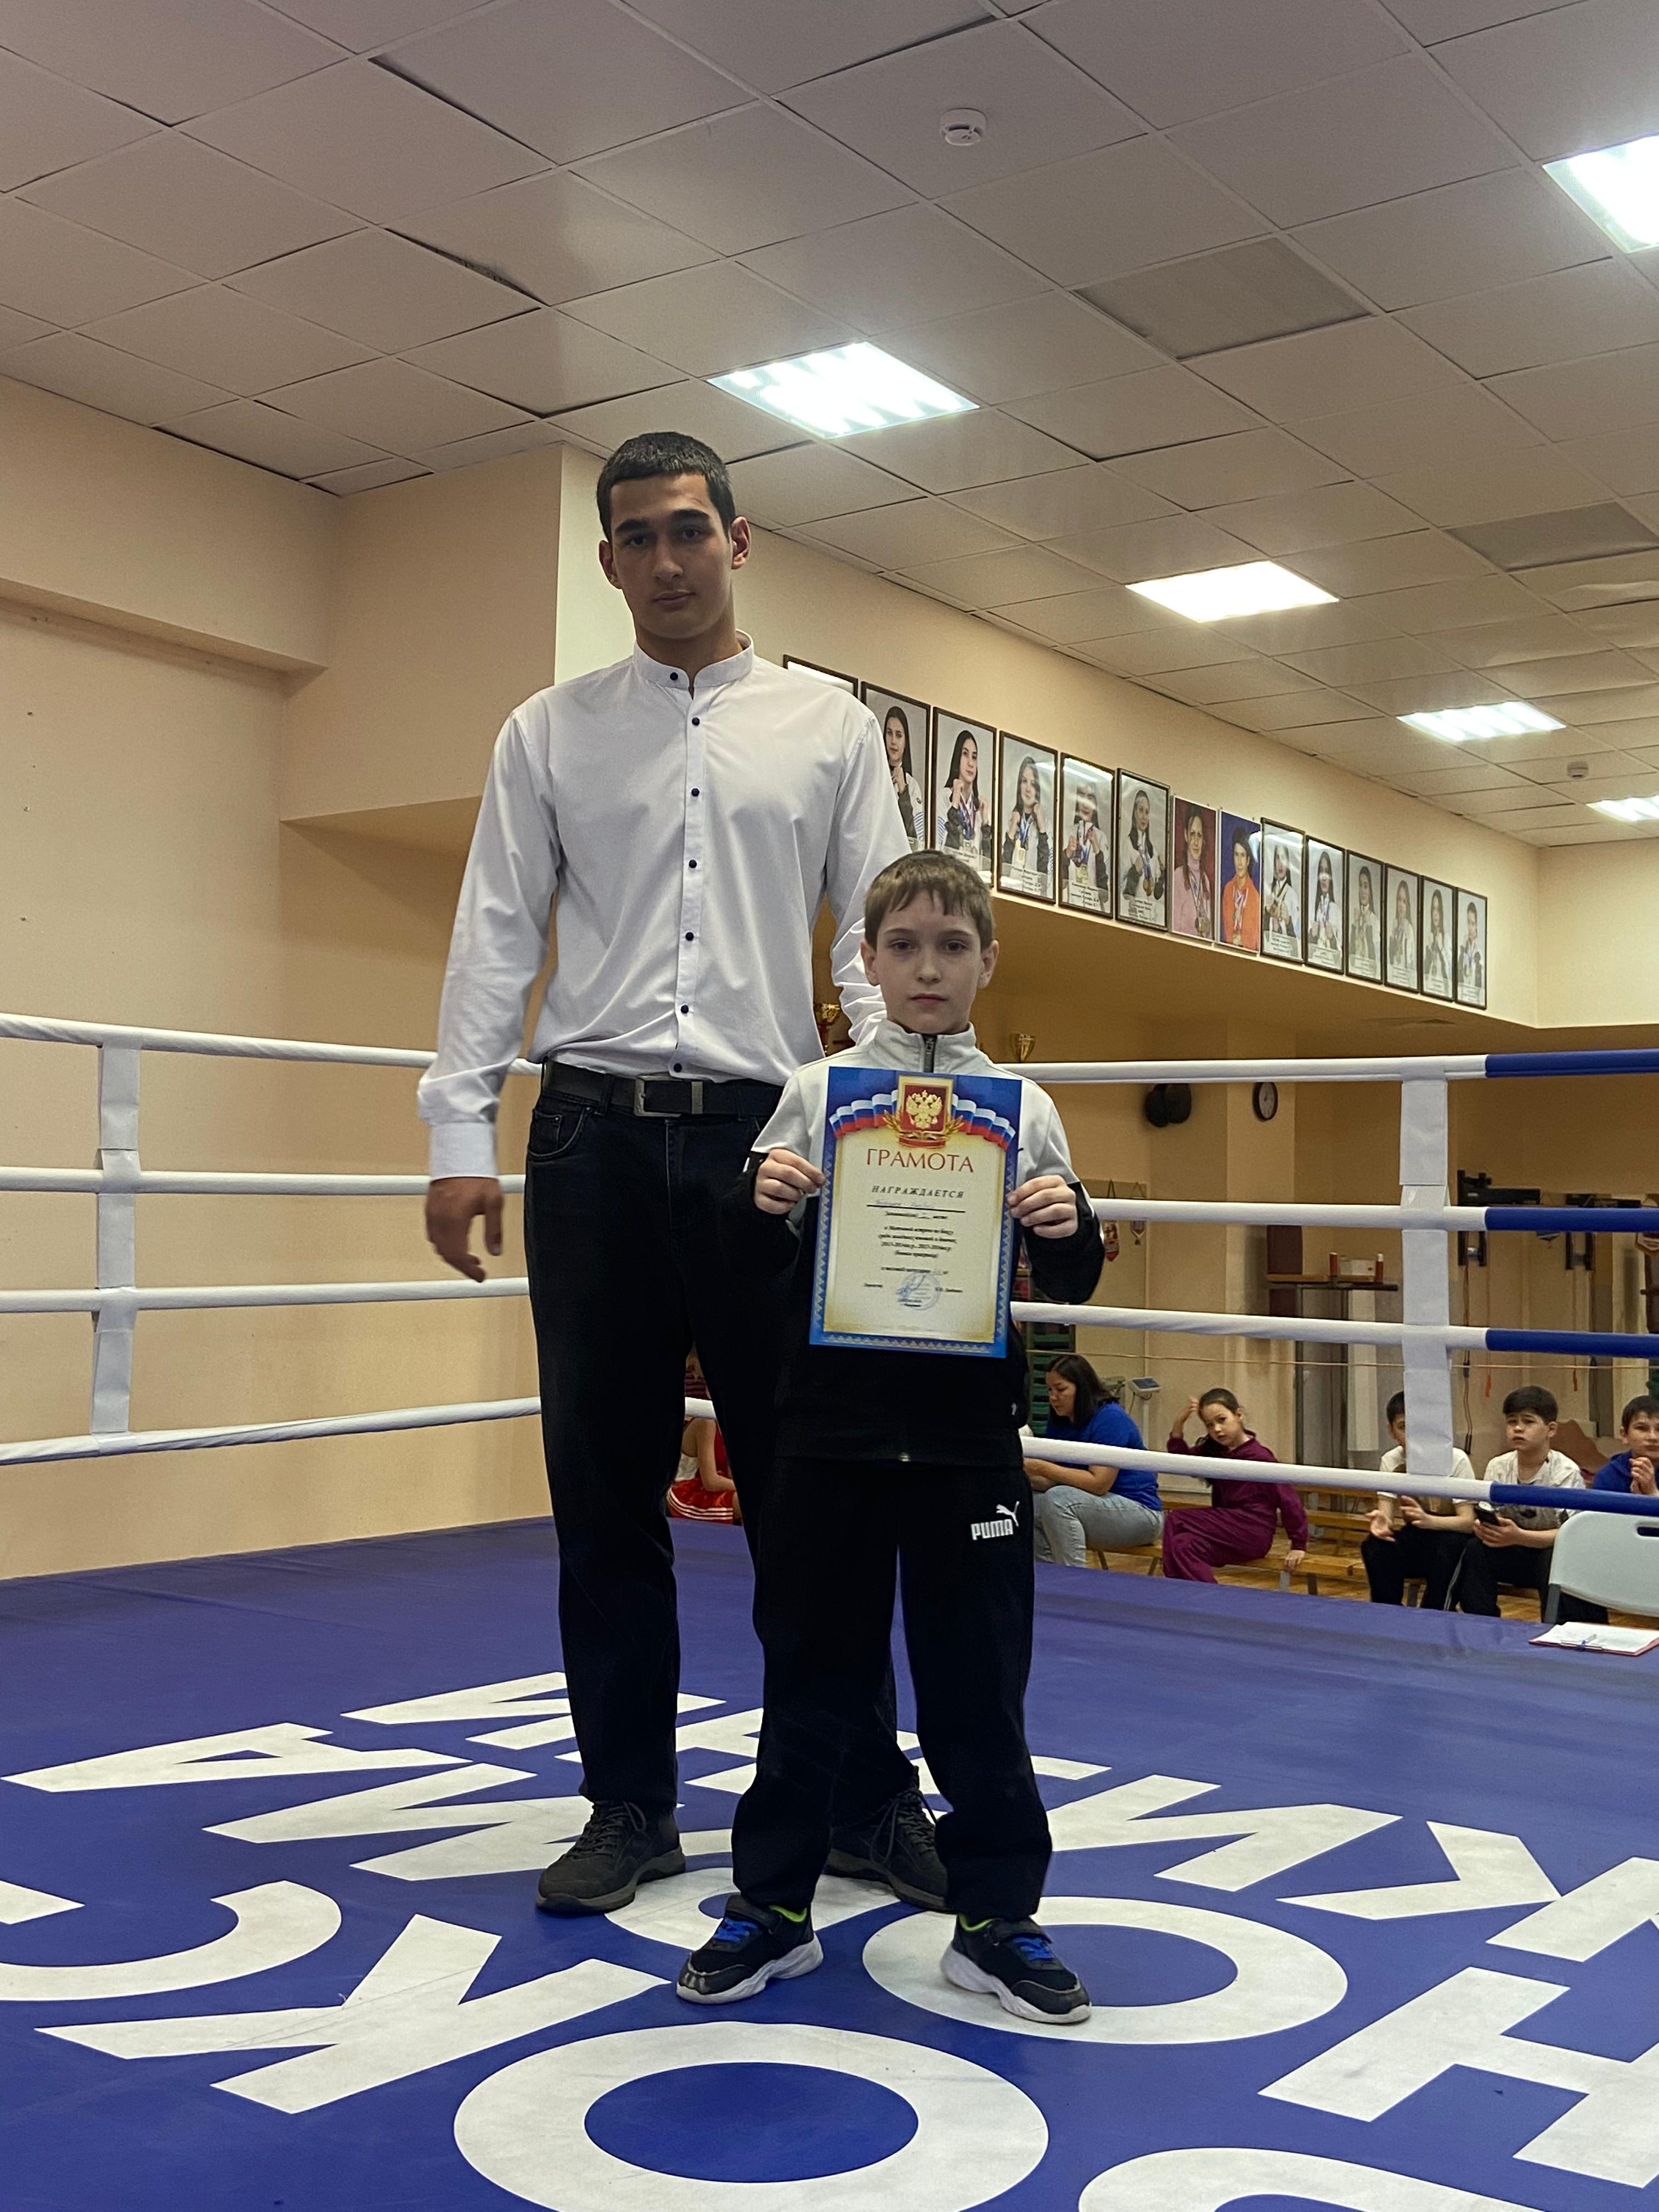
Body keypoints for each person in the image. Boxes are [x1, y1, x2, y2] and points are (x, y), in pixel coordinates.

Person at [419, 430, 935, 1920]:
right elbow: (496, 935)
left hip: (772, 1140)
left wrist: (903, 1119)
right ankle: (630, 1803)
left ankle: (855, 1796)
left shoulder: (829, 728)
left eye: (689, 530)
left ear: (739, 539)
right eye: (637, 537)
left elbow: (875, 938)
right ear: (608, 561)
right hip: (588, 1137)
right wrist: (458, 1135)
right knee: (602, 1490)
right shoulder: (548, 732)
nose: (666, 560)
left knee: (810, 1491)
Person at [678, 850, 1103, 2022]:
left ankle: (996, 1919)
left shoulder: (1025, 1109)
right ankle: (772, 1906)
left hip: (968, 1442)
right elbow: (743, 1261)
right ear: (866, 960)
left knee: (979, 1690)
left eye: (951, 947)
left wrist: (1067, 1224)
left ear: (987, 963)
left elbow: (1070, 1277)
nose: (927, 968)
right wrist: (757, 1204)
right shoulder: (817, 1092)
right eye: (903, 946)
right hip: (831, 1434)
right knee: (810, 1679)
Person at [1449, 1385, 1606, 1622]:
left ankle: (1554, 1628)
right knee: (1475, 1549)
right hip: (1513, 1551)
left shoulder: (1565, 1472)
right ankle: (1481, 1624)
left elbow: (1571, 1535)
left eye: (1528, 1422)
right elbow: (1487, 1514)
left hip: (1550, 1554)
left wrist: (1519, 1536)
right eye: (1512, 1422)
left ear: (1551, 1429)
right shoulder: (1498, 1466)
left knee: (1553, 1557)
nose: (1518, 1428)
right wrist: (1485, 1529)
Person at [1028, 1355, 1162, 1567]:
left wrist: (1041, 1467)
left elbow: (1099, 1483)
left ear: (1081, 1388)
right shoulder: (1060, 1421)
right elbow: (1053, 1480)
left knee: (1058, 1500)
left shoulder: (1110, 1417)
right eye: (1050, 1390)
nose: (1053, 1397)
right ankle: (1048, 1575)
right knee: (1030, 1501)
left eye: (1061, 1390)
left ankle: (1072, 1578)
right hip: (1091, 1505)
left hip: (1140, 1512)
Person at [1161, 1389, 1307, 1582]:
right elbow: (1182, 1462)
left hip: (1252, 1531)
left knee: (1177, 1518)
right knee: (1183, 1544)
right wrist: (1179, 1424)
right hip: (1227, 1529)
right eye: (1210, 1425)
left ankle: (1172, 1587)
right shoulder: (1217, 1451)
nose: (1217, 1429)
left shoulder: (1260, 1458)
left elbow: (1288, 1500)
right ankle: (1206, 1597)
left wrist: (1298, 1545)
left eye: (1222, 1420)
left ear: (1238, 1415)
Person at [1359, 1391, 1475, 1609]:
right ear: (1392, 1432)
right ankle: (1388, 1614)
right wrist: (1381, 1523)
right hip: (1418, 1535)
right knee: (1375, 1545)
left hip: (1453, 1536)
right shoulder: (1391, 1461)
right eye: (1403, 1427)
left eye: (1418, 1427)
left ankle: (1433, 1614)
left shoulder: (1456, 1459)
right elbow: (1386, 1516)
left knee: (1450, 1546)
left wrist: (1430, 1521)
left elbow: (1468, 1522)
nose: (1413, 1435)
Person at [670, 1361, 739, 1525]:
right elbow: (711, 1482)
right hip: (686, 1494)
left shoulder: (730, 1423)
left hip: (713, 1488)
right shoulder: (706, 1422)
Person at [938, 727, 991, 873]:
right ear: (957, 758)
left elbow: (988, 868)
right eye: (965, 754)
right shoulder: (945, 797)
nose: (971, 763)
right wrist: (955, 806)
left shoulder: (981, 808)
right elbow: (941, 850)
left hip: (974, 880)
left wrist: (986, 824)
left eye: (974, 757)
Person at [1590, 1393, 1659, 1496]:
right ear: (1624, 1435)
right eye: (1642, 1428)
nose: (1653, 1437)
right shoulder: (1608, 1477)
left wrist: (1653, 1493)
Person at [1001, 755, 1051, 888]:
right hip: (1009, 892)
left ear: (1037, 789)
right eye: (1024, 781)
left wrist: (1042, 830)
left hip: (1033, 894)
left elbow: (1046, 877)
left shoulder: (1047, 825)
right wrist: (1012, 832)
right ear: (1019, 785)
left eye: (1033, 784)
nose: (1028, 789)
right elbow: (1001, 872)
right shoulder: (1008, 819)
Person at [882, 702, 925, 853]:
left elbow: (917, 841)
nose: (893, 741)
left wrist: (903, 791)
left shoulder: (912, 786)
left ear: (906, 742)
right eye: (889, 733)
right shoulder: (876, 776)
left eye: (899, 735)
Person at [1064, 780, 1110, 910]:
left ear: (1095, 804)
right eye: (1081, 796)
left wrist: (1097, 850)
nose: (1085, 804)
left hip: (1095, 910)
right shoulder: (1067, 833)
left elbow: (1105, 895)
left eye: (1090, 797)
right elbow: (1061, 884)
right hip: (1071, 908)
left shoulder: (1101, 838)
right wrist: (1067, 854)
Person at [1170, 806, 1212, 940]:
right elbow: (1174, 931)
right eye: (1192, 834)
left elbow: (1210, 936)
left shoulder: (1205, 880)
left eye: (1199, 835)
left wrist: (1207, 929)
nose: (1196, 842)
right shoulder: (1177, 877)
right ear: (1186, 835)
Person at [1120, 785, 1165, 910]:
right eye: (1141, 810)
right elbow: (1120, 887)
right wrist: (1134, 872)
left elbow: (1157, 895)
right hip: (1133, 913)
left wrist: (1163, 873)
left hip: (1150, 915)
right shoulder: (1127, 845)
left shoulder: (1152, 851)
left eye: (1147, 812)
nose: (1144, 817)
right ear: (1134, 812)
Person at [1223, 825, 1259, 951]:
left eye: (1243, 856)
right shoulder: (1228, 890)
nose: (1239, 862)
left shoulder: (1255, 897)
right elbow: (1226, 930)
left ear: (1248, 860)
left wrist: (1242, 941)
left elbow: (1255, 940)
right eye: (1236, 855)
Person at [1263, 842, 1298, 955]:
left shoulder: (1293, 895)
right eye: (1278, 858)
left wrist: (1288, 921)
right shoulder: (1267, 891)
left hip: (1285, 952)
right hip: (1268, 950)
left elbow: (1297, 941)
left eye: (1284, 858)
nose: (1280, 864)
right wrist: (1266, 913)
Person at [1309, 848, 1340, 961]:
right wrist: (1312, 936)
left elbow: (1341, 954)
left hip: (1330, 963)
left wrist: (1332, 939)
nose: (1324, 877)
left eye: (1327, 871)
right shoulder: (1313, 908)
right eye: (1321, 871)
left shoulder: (1336, 910)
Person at [1351, 865, 1379, 970]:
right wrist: (1354, 926)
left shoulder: (1375, 921)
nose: (1363, 890)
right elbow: (1351, 957)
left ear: (1370, 891)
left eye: (1366, 886)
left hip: (1369, 972)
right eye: (1361, 885)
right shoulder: (1356, 920)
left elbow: (1376, 959)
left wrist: (1369, 926)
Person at [1423, 888, 1451, 992]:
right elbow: (1424, 974)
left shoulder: (1446, 938)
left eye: (1438, 910)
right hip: (1429, 989)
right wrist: (1429, 949)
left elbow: (1450, 974)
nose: (1435, 914)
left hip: (1442, 991)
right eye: (1433, 909)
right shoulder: (1429, 937)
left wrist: (1442, 948)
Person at [1388, 877, 1416, 979]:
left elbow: (1411, 962)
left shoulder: (1410, 929)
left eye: (1404, 901)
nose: (1401, 905)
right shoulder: (1394, 926)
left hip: (1406, 979)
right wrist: (1392, 936)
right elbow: (1390, 959)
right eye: (1399, 900)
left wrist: (1407, 937)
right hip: (1394, 977)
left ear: (1408, 905)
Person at [1457, 899, 1484, 1000]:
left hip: (1475, 998)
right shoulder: (1463, 949)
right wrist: (1463, 950)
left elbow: (1481, 983)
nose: (1470, 928)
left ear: (1477, 926)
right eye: (1468, 923)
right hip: (1463, 996)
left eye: (1473, 924)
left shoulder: (1479, 953)